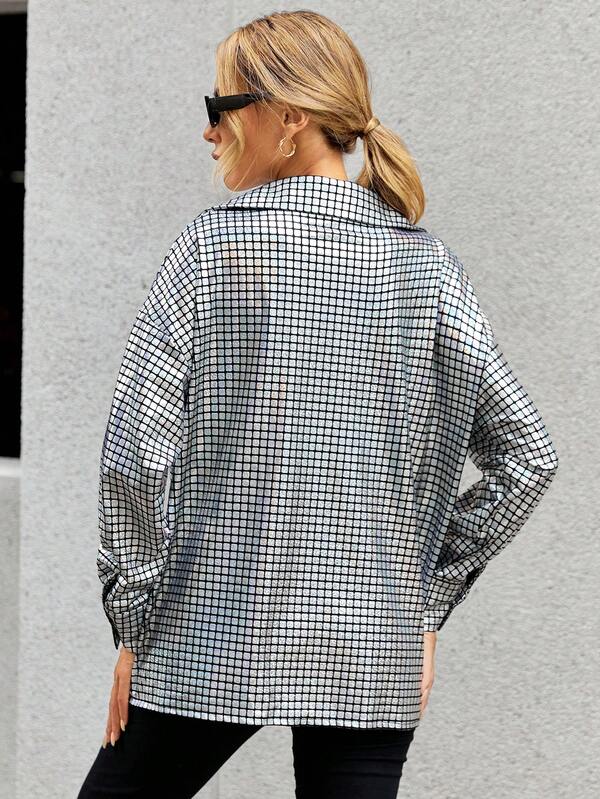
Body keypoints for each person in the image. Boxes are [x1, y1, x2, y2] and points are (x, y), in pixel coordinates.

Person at [77, 10, 559, 799]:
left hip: (210, 629)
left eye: (220, 107)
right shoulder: (427, 267)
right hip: (374, 646)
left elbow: (135, 457)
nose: (209, 131)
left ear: (290, 117)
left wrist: (134, 622)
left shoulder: (214, 248)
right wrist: (422, 601)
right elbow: (528, 455)